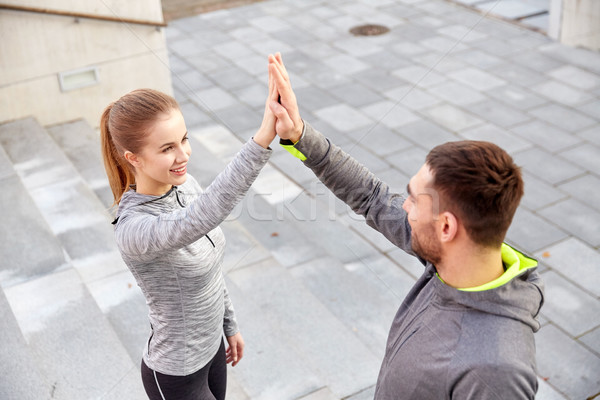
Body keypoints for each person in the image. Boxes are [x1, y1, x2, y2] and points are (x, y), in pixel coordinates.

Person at [267, 53, 544, 399]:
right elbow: (372, 196)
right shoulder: (453, 261)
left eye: (413, 200)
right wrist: (299, 135)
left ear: (446, 228)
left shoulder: (496, 370)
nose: (403, 206)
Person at [99, 70, 278, 399]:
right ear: (133, 158)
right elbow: (202, 216)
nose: (184, 155)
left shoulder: (185, 186)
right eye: (167, 148)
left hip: (212, 353)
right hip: (175, 373)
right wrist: (263, 137)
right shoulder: (134, 229)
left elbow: (211, 271)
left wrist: (230, 325)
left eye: (184, 139)